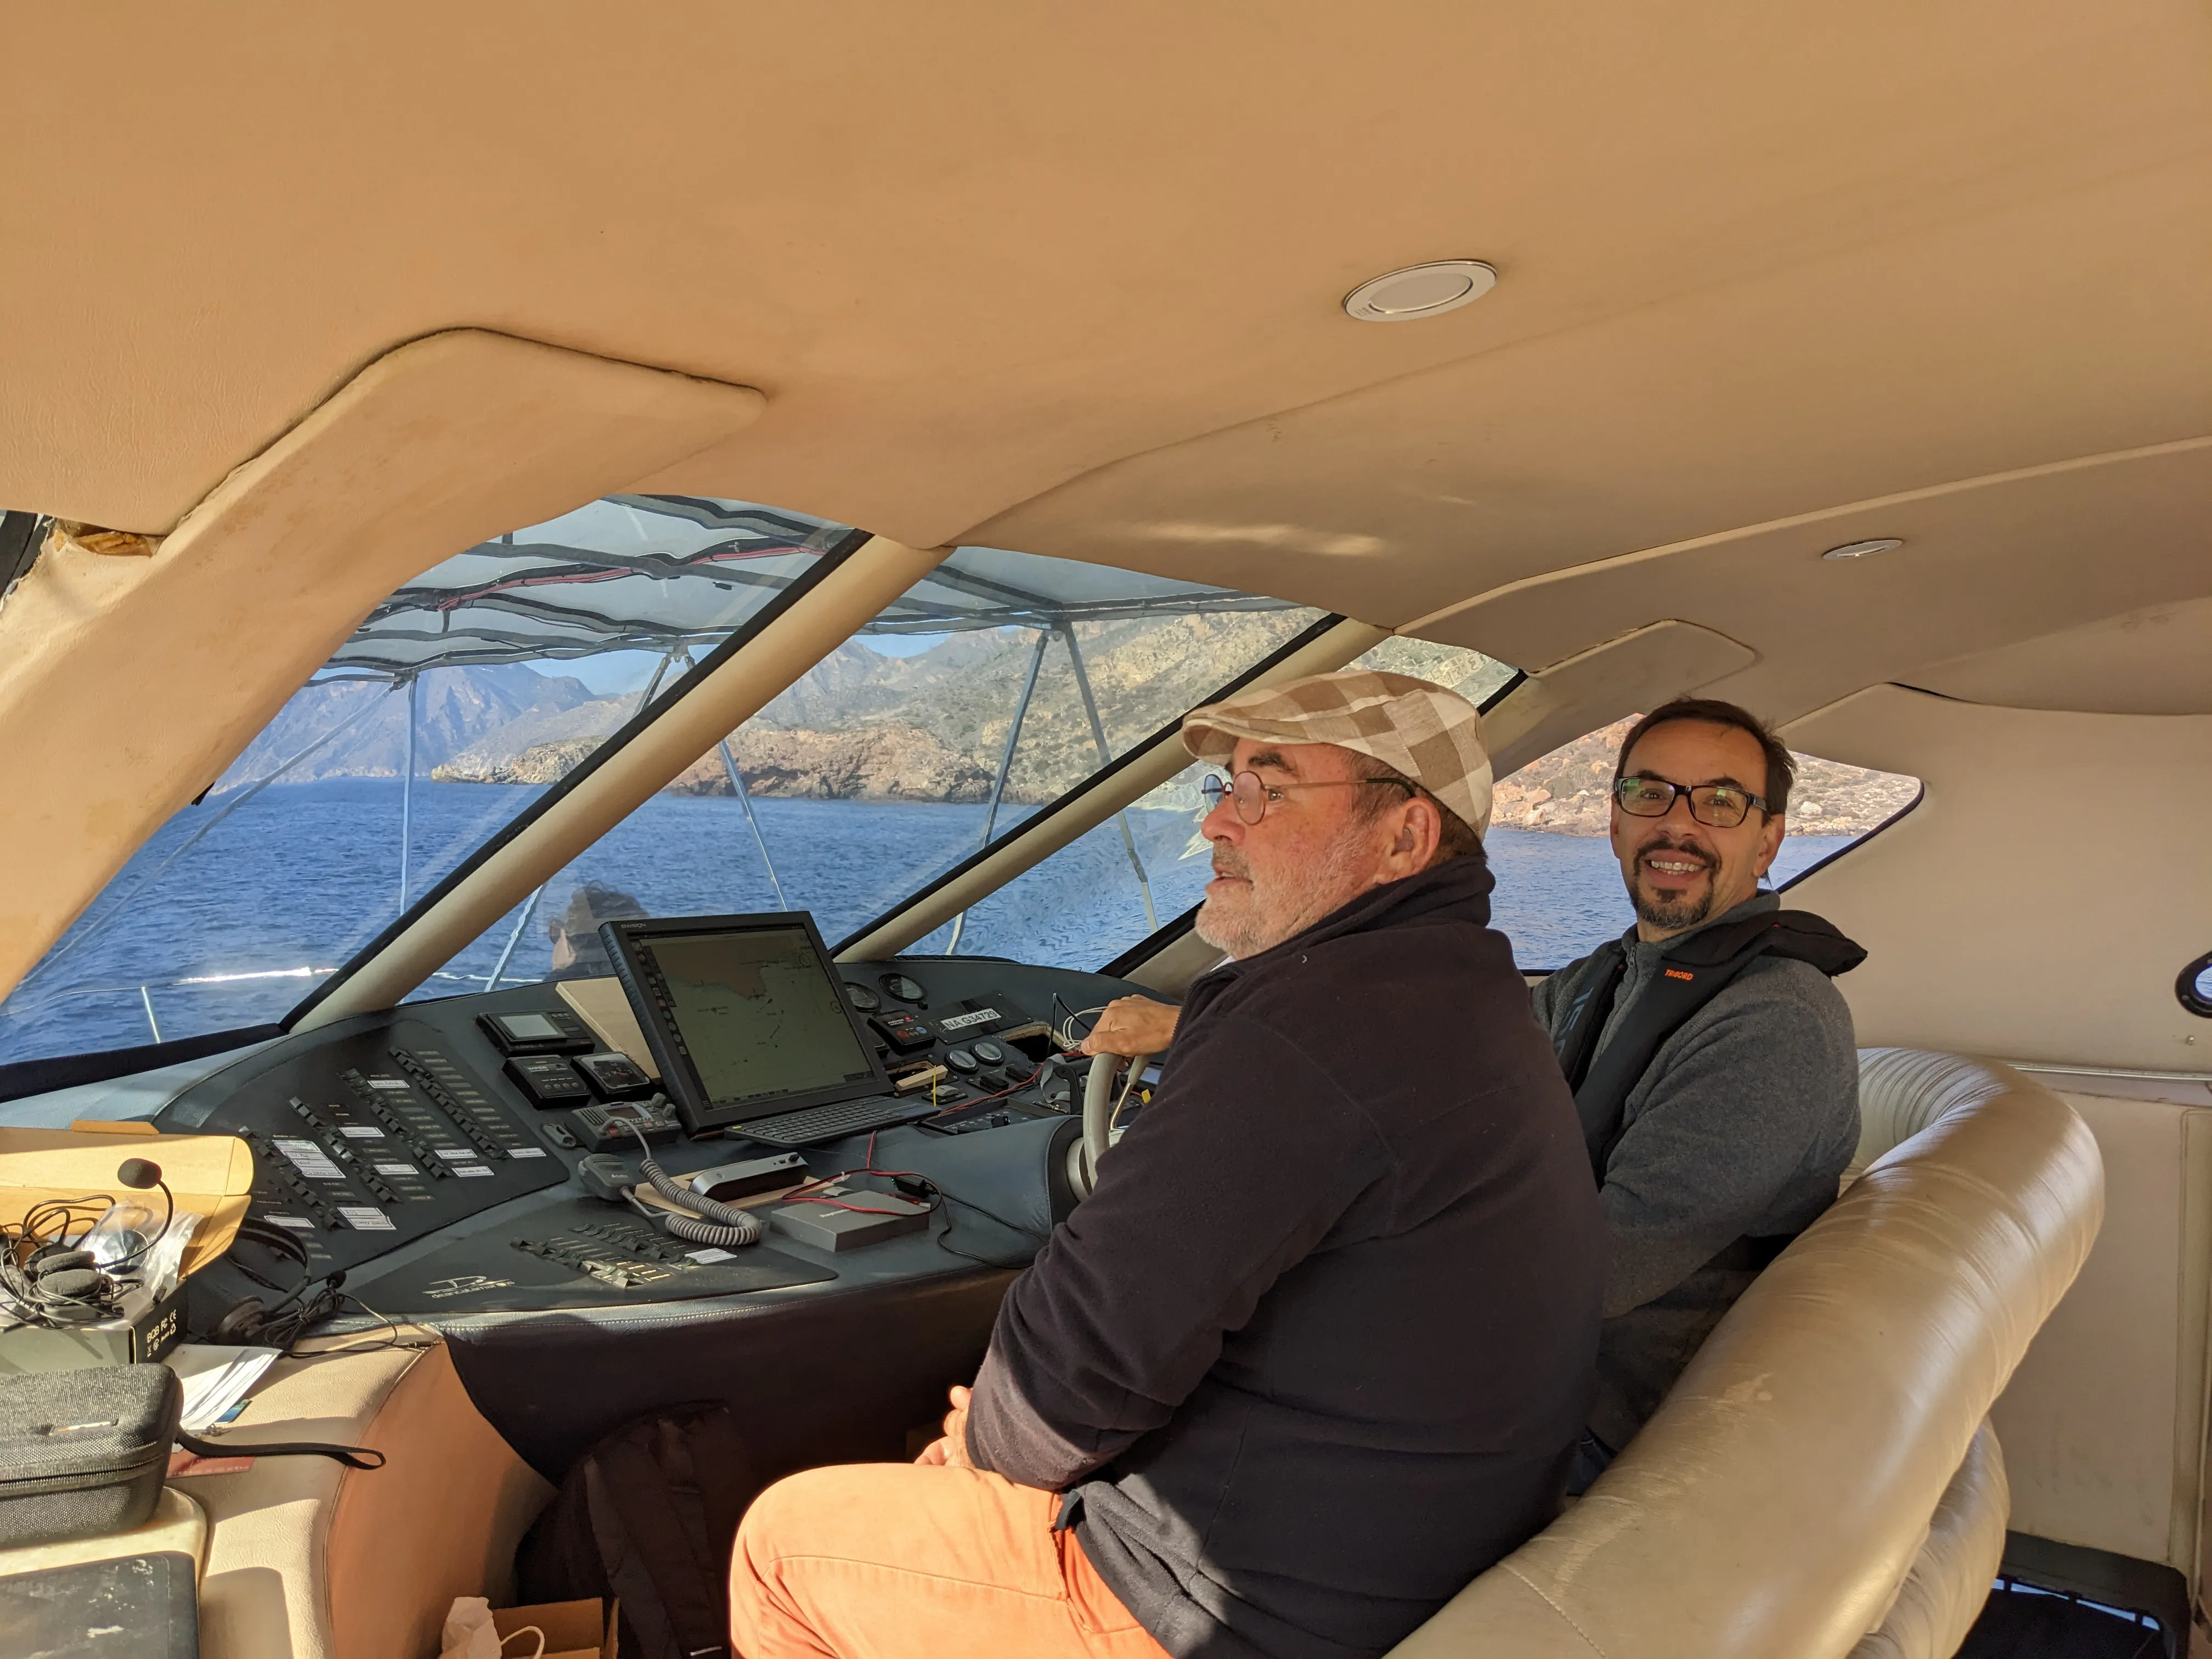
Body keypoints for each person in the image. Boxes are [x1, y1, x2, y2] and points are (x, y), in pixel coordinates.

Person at [727, 671, 1606, 1659]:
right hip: (1394, 1554)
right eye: (1223, 788)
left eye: (1266, 790)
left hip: (1236, 1609)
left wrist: (975, 1453)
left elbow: (1076, 1374)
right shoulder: (1461, 997)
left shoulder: (1309, 1026)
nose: (1219, 827)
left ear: (1404, 839)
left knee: (785, 1542)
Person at [1075, 697, 1864, 1490]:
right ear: (1617, 822)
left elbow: (1602, 1273)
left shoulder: (1778, 1021)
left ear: (1769, 842)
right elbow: (1431, 1057)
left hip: (1574, 1432)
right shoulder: (1606, 977)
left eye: (1721, 803)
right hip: (1508, 1382)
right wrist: (1196, 1027)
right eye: (1648, 794)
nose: (1677, 825)